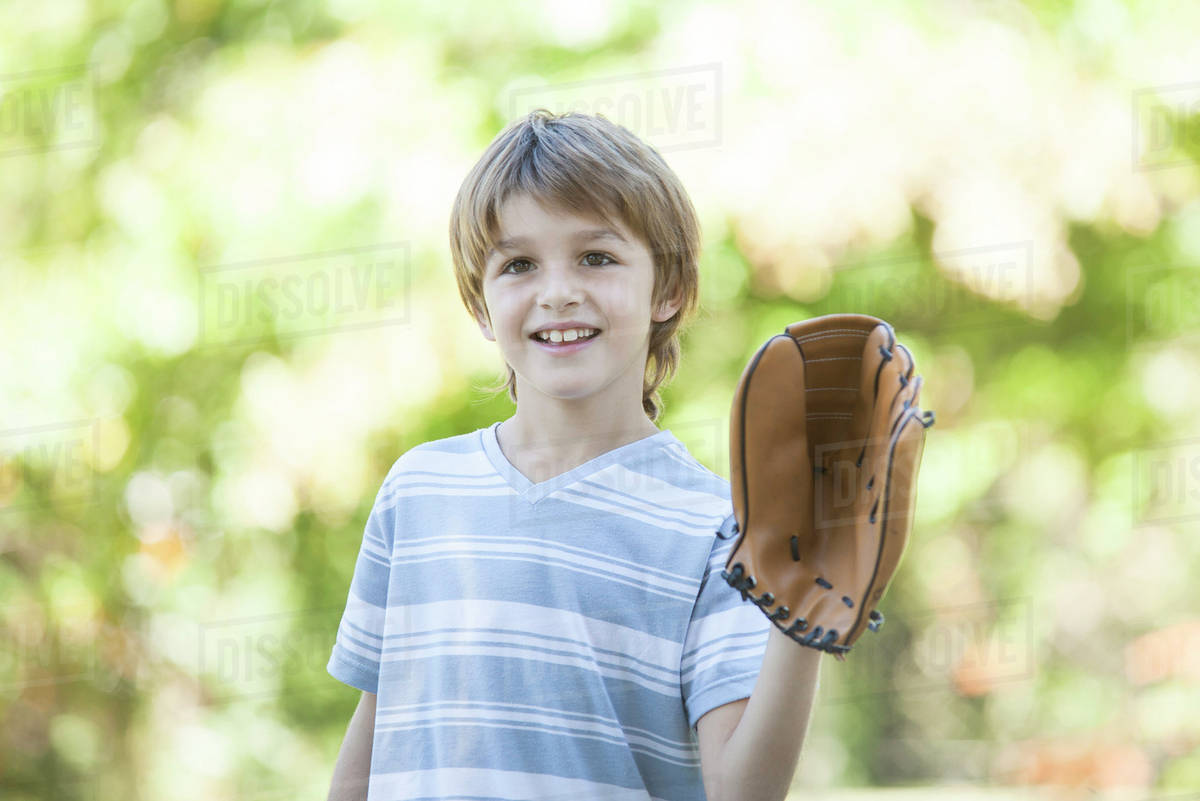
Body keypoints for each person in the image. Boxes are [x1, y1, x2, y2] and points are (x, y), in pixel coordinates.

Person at [325, 109, 821, 801]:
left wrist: (801, 626)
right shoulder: (418, 491)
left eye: (597, 256)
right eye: (519, 264)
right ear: (479, 302)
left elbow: (740, 790)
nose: (558, 291)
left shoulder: (716, 524)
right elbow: (372, 738)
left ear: (668, 288)